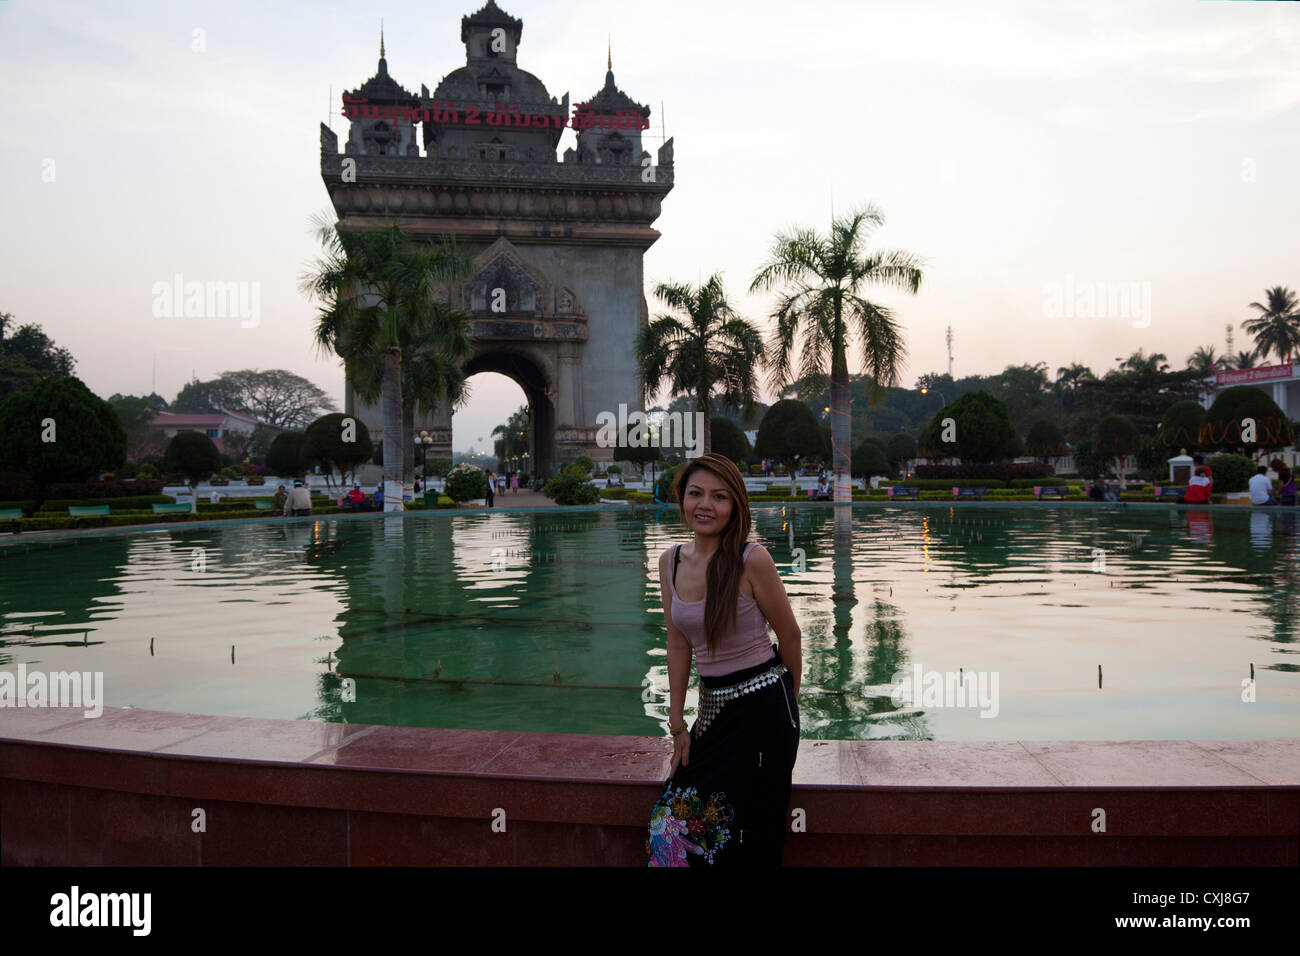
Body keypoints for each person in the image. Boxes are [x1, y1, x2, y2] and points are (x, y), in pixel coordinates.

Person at [645, 453, 801, 867]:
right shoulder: (670, 562)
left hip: (764, 713)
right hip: (712, 712)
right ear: (682, 499)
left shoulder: (752, 560)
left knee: (750, 835)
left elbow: (789, 635)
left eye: (719, 496)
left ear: (735, 507)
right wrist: (677, 723)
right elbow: (678, 643)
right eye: (696, 493)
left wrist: (789, 702)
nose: (705, 505)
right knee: (668, 827)